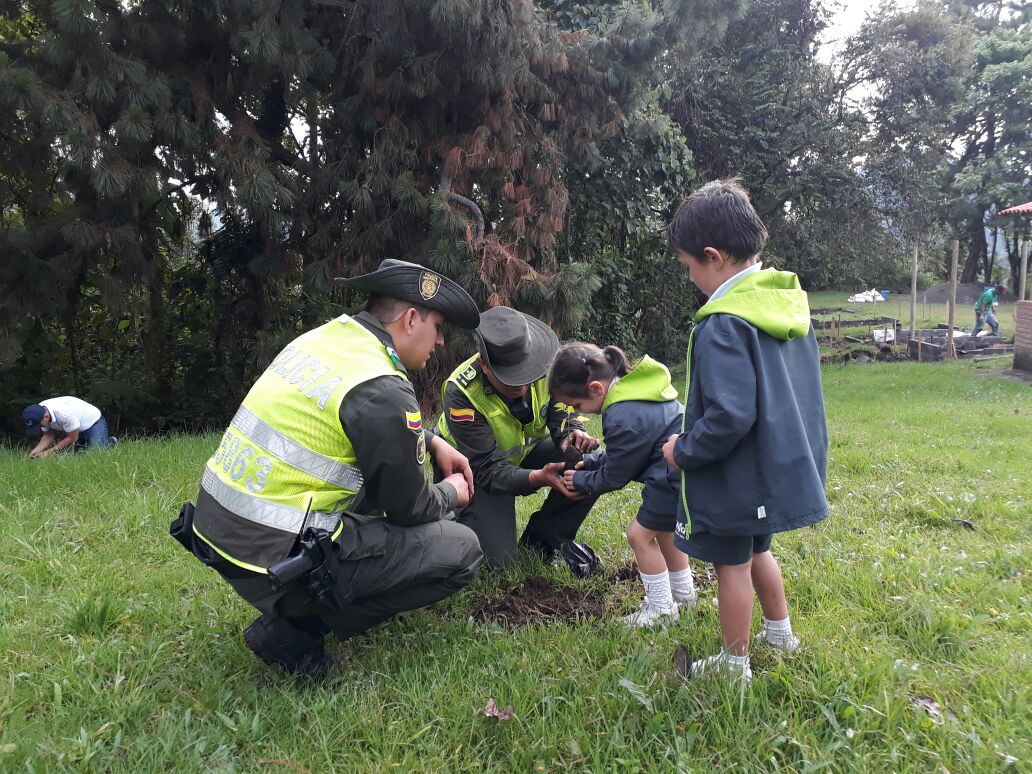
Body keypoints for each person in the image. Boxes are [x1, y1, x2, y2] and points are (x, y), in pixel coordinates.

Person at [176, 259, 485, 677]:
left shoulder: (324, 341)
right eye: (438, 327)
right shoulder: (383, 385)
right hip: (273, 564)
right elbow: (412, 509)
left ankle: (315, 598)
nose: (442, 341)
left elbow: (357, 413)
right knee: (463, 549)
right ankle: (297, 630)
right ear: (411, 319)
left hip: (218, 535)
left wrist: (430, 438)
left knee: (378, 482)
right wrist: (451, 492)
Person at [661, 179, 828, 683]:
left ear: (713, 257)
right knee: (759, 551)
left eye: (689, 266)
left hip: (737, 474)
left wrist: (682, 450)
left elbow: (729, 417)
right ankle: (781, 634)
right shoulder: (783, 305)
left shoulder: (724, 324)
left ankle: (734, 666)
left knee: (730, 567)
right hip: (773, 466)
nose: (691, 277)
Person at [436, 306, 600, 569]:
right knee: (498, 562)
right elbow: (487, 470)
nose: (522, 385)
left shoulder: (546, 365)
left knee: (591, 461)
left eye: (526, 374)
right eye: (510, 378)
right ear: (484, 365)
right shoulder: (462, 394)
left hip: (521, 454)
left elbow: (560, 410)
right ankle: (453, 514)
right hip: (474, 470)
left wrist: (571, 435)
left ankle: (543, 541)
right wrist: (539, 477)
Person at [548, 343, 697, 627]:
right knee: (665, 530)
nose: (579, 412)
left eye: (577, 406)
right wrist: (591, 462)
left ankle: (661, 609)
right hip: (683, 472)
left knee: (639, 536)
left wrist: (579, 479)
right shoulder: (637, 391)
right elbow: (629, 453)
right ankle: (684, 595)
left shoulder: (620, 414)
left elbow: (615, 476)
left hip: (668, 477)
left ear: (596, 389)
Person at [22, 397, 117, 457]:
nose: (40, 427)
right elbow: (49, 435)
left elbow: (72, 438)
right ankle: (84, 443)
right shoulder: (38, 412)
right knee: (67, 456)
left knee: (95, 454)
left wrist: (48, 452)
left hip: (94, 423)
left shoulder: (64, 414)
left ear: (46, 417)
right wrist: (35, 452)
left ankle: (110, 442)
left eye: (39, 425)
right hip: (73, 428)